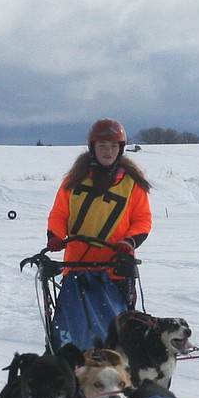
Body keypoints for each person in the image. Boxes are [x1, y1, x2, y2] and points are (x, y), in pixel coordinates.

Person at [44, 119, 152, 348]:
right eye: (103, 145)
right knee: (75, 326)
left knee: (117, 331)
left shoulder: (133, 184)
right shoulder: (73, 181)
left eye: (114, 146)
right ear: (93, 147)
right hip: (76, 268)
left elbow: (142, 220)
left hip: (116, 269)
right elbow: (60, 214)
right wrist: (55, 236)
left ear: (121, 149)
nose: (108, 151)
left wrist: (129, 242)